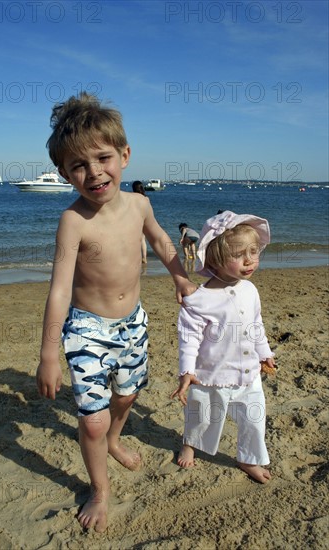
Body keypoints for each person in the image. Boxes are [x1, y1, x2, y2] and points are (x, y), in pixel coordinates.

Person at [36, 92, 197, 533]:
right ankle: (100, 488)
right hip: (87, 330)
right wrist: (50, 353)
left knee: (126, 397)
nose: (93, 173)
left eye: (103, 158)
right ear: (64, 173)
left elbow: (163, 243)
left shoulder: (140, 205)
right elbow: (59, 290)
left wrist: (181, 277)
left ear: (124, 155)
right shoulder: (74, 221)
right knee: (92, 419)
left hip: (134, 325)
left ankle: (114, 440)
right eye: (78, 166)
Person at [171, 210, 275, 484]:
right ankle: (190, 444)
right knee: (202, 414)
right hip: (211, 374)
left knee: (254, 417)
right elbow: (189, 338)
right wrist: (187, 372)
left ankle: (248, 458)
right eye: (240, 255)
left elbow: (255, 325)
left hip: (248, 374)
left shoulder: (250, 290)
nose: (250, 260)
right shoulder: (199, 299)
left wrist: (264, 353)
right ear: (215, 259)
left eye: (254, 252)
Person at [132, 180, 148, 263]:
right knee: (143, 240)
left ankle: (135, 258)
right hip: (144, 220)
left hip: (135, 220)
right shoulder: (146, 198)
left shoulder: (132, 197)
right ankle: (144, 257)